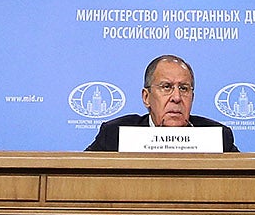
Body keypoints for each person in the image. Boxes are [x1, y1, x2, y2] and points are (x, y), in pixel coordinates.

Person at [84, 54, 238, 152]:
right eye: (166, 87)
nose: (176, 97)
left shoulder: (218, 138)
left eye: (184, 88)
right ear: (146, 97)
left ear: (192, 97)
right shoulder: (114, 135)